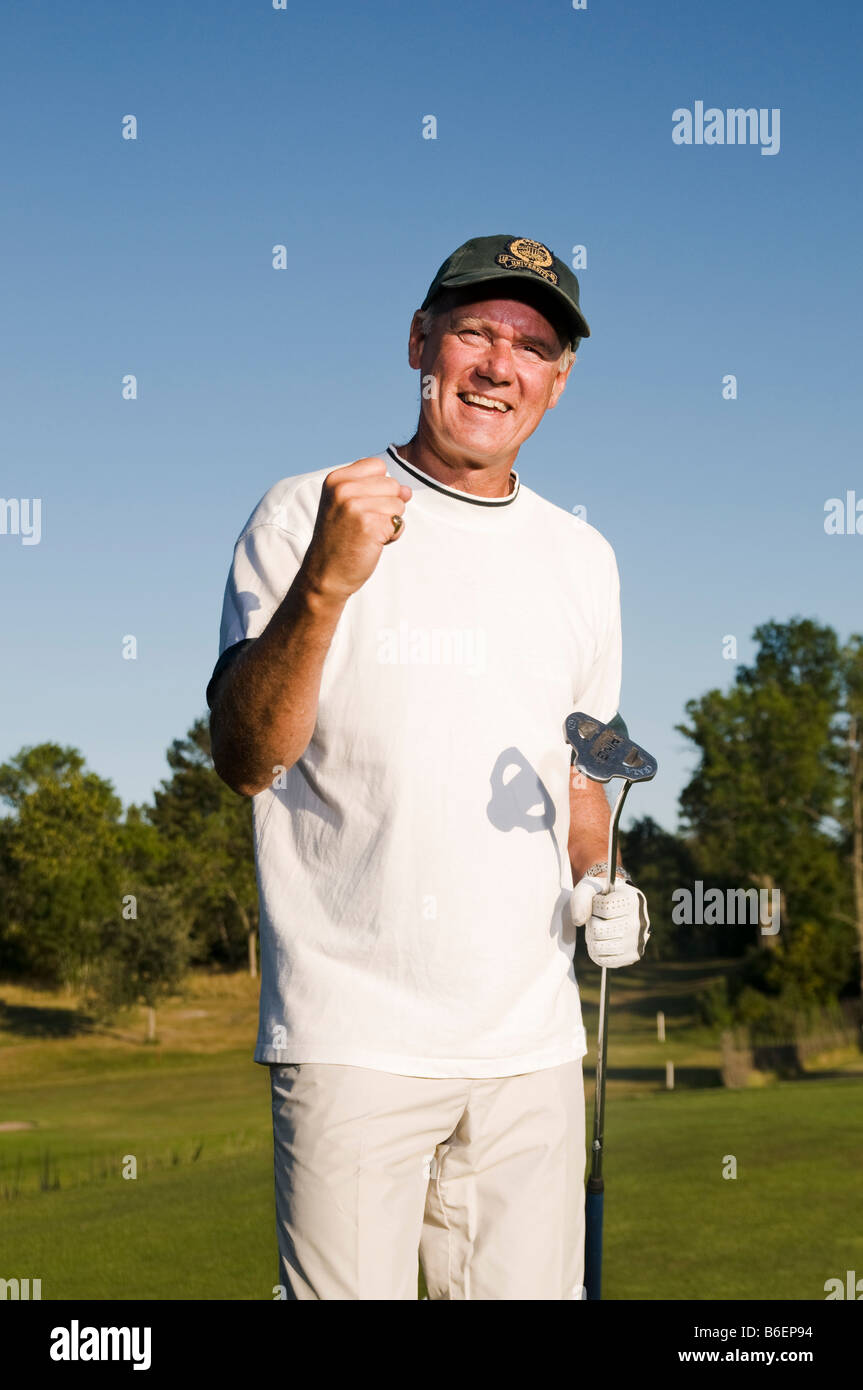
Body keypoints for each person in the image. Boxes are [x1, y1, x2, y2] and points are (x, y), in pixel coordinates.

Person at [206, 234, 651, 1300]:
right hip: (354, 1038)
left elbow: (583, 776)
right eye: (475, 333)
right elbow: (242, 755)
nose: (501, 364)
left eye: (532, 345)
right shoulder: (308, 508)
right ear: (420, 341)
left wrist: (602, 878)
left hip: (532, 1049)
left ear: (558, 379)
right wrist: (326, 581)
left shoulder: (583, 559)